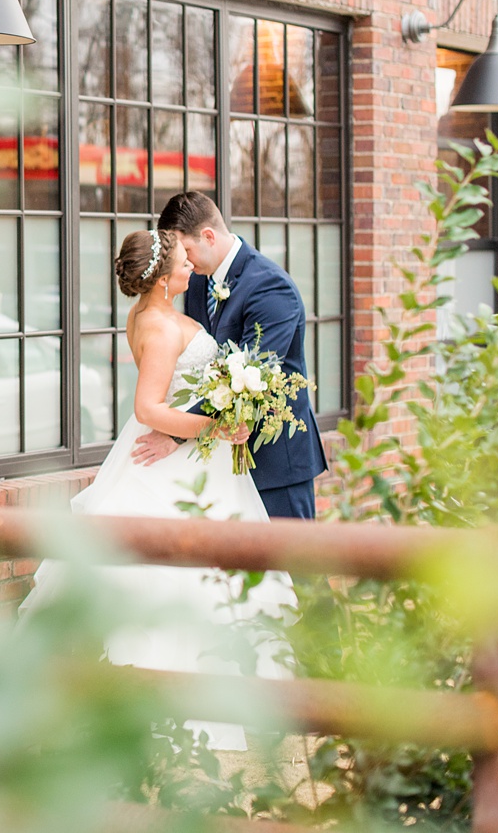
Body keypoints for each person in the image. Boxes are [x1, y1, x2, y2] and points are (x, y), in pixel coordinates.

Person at [21, 227, 294, 750]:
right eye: (183, 261)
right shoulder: (162, 328)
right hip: (173, 460)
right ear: (164, 277)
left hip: (188, 457)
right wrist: (217, 425)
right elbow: (148, 409)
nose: (191, 264)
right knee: (181, 575)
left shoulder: (152, 315)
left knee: (208, 570)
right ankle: (170, 703)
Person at [130, 191, 327, 520]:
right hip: (217, 461)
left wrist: (176, 434)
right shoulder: (195, 284)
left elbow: (249, 379)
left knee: (295, 568)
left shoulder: (270, 287)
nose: (187, 263)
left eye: (187, 251)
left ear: (208, 236)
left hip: (274, 463)